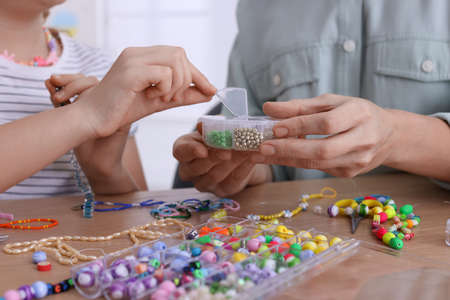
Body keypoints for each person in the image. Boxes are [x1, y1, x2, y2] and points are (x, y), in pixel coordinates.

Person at [173, 0, 450, 197]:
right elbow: (264, 157)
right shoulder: (256, 8)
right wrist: (238, 170)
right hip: (301, 244)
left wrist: (395, 137)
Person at [0, 0, 216, 198]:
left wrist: (106, 172)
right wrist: (85, 115)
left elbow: (137, 223)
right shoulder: (101, 91)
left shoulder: (100, 68)